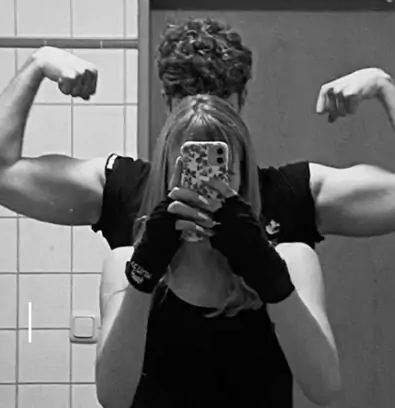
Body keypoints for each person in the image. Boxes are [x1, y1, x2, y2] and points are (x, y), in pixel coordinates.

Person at [0, 17, 395, 248]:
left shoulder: (294, 195)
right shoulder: (121, 189)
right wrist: (37, 64)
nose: (203, 114)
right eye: (188, 99)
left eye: (218, 99)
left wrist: (384, 86)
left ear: (241, 101)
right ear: (168, 104)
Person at [95, 94, 341, 407]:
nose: (203, 186)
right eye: (187, 171)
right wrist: (144, 272)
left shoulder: (293, 260)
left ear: (242, 176)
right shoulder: (125, 264)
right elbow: (112, 397)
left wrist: (266, 270)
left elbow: (325, 388)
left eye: (220, 172)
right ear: (165, 174)